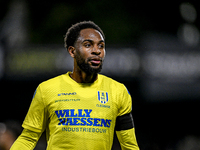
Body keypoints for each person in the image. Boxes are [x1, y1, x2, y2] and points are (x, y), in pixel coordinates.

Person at [10, 21, 139, 150]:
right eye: (88, 45)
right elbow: (28, 138)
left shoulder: (118, 91)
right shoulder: (47, 89)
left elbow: (129, 145)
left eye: (101, 46)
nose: (96, 51)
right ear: (72, 51)